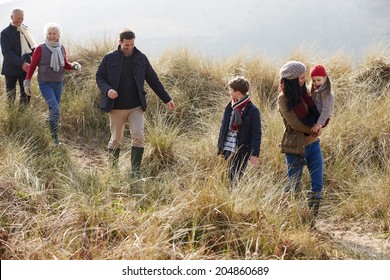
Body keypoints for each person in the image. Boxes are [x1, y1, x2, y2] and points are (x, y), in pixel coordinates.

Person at [96, 28, 175, 177]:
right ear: (120, 42)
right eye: (127, 45)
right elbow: (99, 77)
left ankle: (135, 172)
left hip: (136, 107)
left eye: (132, 45)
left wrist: (167, 99)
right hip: (116, 108)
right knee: (116, 140)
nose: (130, 48)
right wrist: (107, 90)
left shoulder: (141, 58)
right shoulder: (109, 58)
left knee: (138, 136)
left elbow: (153, 80)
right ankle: (113, 172)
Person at [278, 61, 323, 226]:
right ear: (292, 80)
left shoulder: (306, 93)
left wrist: (321, 125)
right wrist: (315, 129)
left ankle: (311, 221)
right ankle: (288, 218)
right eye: (302, 78)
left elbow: (319, 110)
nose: (305, 80)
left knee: (317, 184)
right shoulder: (283, 99)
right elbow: (295, 123)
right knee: (294, 186)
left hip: (313, 144)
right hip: (295, 147)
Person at [23, 23, 81, 145]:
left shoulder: (61, 48)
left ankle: (51, 135)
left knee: (53, 110)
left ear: (58, 35)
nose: (51, 36)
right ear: (46, 35)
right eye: (49, 33)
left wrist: (74, 66)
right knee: (55, 109)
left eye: (54, 33)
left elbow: (65, 64)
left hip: (58, 83)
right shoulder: (40, 48)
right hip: (45, 83)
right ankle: (54, 137)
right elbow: (33, 66)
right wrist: (27, 81)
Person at [217, 77, 261, 185]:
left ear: (237, 92)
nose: (229, 92)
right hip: (228, 148)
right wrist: (220, 148)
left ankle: (234, 197)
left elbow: (256, 132)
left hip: (242, 149)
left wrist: (254, 153)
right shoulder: (230, 106)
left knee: (236, 176)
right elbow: (223, 127)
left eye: (230, 90)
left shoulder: (252, 110)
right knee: (226, 175)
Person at [1, 8, 37, 105]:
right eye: (17, 18)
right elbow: (7, 53)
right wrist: (22, 63)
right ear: (11, 17)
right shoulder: (5, 33)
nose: (20, 20)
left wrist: (38, 60)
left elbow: (32, 48)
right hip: (11, 68)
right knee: (10, 95)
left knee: (26, 93)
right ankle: (12, 116)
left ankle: (23, 114)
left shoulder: (25, 30)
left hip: (26, 69)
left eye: (22, 18)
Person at [309, 64, 334, 134]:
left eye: (318, 80)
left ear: (325, 78)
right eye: (313, 81)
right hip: (317, 115)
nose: (316, 83)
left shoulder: (326, 93)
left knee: (312, 129)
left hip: (323, 118)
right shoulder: (317, 89)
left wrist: (318, 124)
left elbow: (326, 110)